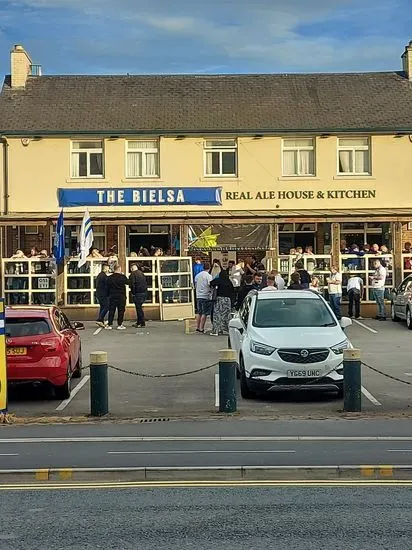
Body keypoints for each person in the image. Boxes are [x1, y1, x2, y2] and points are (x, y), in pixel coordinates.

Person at [209, 270, 234, 336]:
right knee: (226, 315)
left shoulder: (219, 280)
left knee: (217, 314)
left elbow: (211, 283)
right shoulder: (229, 282)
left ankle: (216, 331)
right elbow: (232, 291)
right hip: (227, 300)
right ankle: (227, 330)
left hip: (219, 299)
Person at [106, 265, 129, 330]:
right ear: (119, 269)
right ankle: (120, 324)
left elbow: (107, 287)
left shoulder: (109, 278)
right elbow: (129, 282)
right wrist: (124, 275)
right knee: (121, 310)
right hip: (121, 296)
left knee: (111, 310)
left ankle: (109, 324)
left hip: (112, 296)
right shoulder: (122, 277)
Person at [195, 262, 212, 333]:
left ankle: (197, 327)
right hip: (205, 295)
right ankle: (202, 328)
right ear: (209, 268)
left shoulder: (198, 275)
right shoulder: (209, 276)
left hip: (198, 295)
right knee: (204, 313)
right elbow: (210, 285)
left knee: (199, 312)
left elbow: (195, 284)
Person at [129, 263, 148, 328]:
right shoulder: (141, 273)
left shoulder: (132, 274)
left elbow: (132, 285)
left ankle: (141, 323)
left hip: (137, 293)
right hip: (144, 292)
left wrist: (133, 293)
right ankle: (139, 322)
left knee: (138, 309)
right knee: (139, 308)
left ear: (131, 268)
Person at [95, 263, 110, 327]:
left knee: (102, 307)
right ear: (105, 268)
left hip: (99, 293)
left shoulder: (100, 275)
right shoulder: (104, 276)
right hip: (103, 294)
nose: (109, 269)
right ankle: (100, 319)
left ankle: (101, 320)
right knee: (107, 306)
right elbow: (107, 285)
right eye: (108, 268)